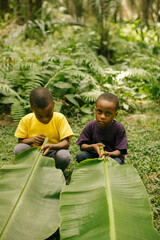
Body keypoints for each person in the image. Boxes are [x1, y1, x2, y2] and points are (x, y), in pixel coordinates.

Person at [14, 87, 74, 172]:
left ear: (53, 105)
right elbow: (20, 141)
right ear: (32, 109)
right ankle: (29, 170)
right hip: (34, 154)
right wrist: (32, 140)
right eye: (39, 116)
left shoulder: (59, 118)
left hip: (53, 153)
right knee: (19, 148)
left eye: (49, 114)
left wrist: (51, 146)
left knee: (64, 155)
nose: (45, 119)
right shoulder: (26, 120)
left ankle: (57, 172)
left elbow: (66, 143)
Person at [76, 92, 128, 165]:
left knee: (118, 162)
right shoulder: (90, 125)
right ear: (95, 110)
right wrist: (93, 146)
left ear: (115, 115)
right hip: (94, 157)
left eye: (108, 113)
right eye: (99, 112)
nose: (102, 116)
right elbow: (82, 146)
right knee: (81, 156)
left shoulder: (119, 128)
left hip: (111, 158)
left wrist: (109, 154)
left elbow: (120, 151)